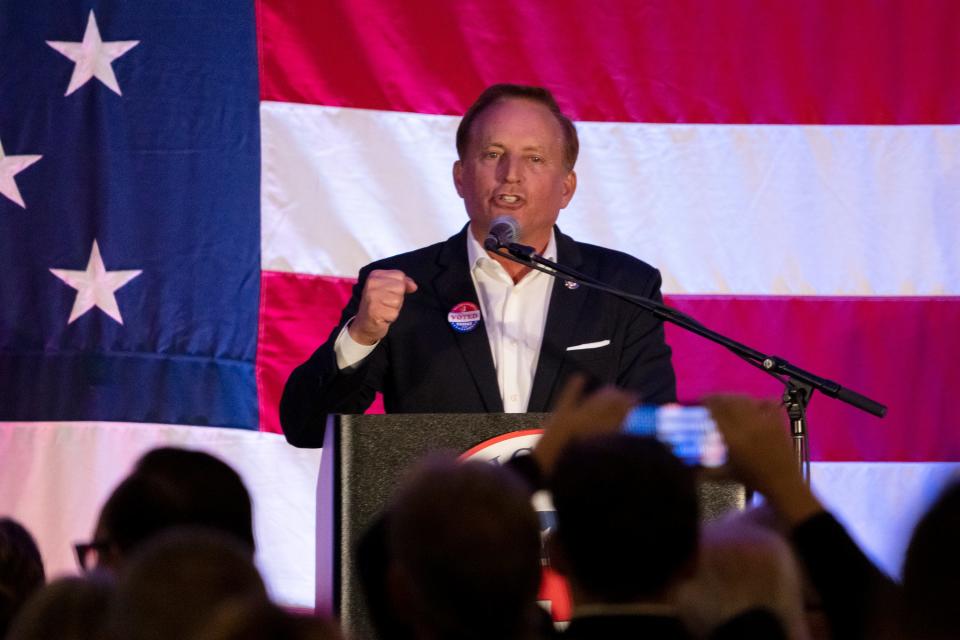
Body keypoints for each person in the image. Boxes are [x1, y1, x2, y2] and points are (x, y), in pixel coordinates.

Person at [281, 83, 676, 447]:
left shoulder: (623, 286)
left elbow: (654, 428)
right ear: (460, 177)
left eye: (534, 158)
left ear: (566, 189)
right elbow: (306, 428)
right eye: (492, 155)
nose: (511, 175)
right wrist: (362, 335)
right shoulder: (404, 286)